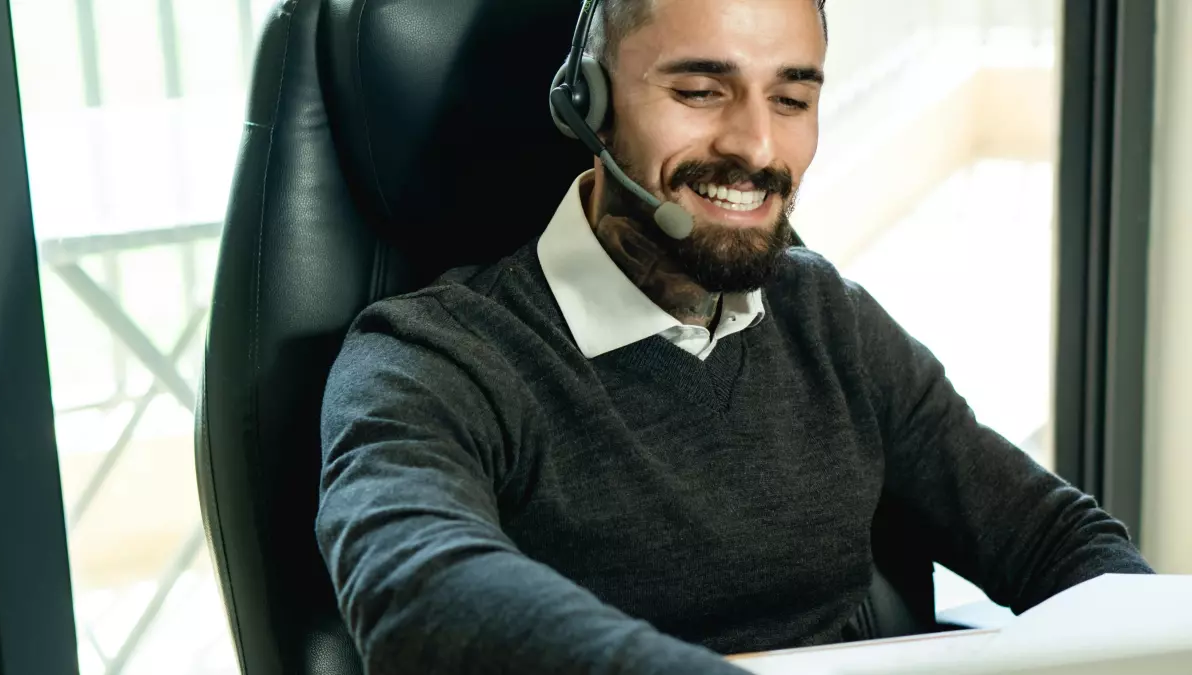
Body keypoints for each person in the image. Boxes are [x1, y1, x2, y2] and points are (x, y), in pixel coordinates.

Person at [315, 0, 1153, 673]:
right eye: (700, 91)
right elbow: (416, 586)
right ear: (589, 103)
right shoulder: (434, 354)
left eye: (791, 99)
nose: (757, 146)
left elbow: (1055, 538)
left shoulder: (826, 315)